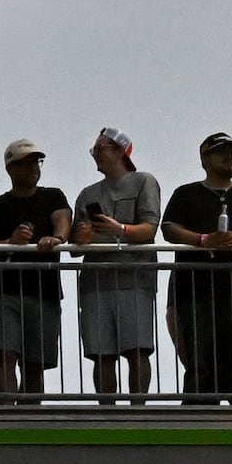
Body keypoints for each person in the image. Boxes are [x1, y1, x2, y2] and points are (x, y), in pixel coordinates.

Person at [164, 132, 232, 402]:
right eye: (222, 152)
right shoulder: (186, 193)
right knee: (199, 354)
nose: (230, 157)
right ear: (205, 158)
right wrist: (203, 240)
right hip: (196, 290)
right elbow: (169, 229)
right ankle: (199, 414)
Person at [0, 141, 70, 399]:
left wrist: (57, 238)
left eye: (36, 162)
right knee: (5, 354)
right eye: (27, 162)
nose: (33, 168)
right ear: (11, 167)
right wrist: (11, 243)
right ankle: (5, 417)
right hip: (4, 291)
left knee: (34, 363)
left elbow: (62, 221)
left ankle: (29, 418)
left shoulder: (53, 196)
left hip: (44, 291)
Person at [73, 130, 162, 399]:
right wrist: (82, 237)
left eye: (100, 148)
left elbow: (149, 229)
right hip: (95, 282)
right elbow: (76, 242)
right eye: (94, 150)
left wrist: (119, 229)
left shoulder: (143, 181)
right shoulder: (87, 194)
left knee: (137, 349)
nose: (95, 155)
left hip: (134, 279)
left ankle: (138, 410)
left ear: (119, 151)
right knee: (102, 353)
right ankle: (106, 412)